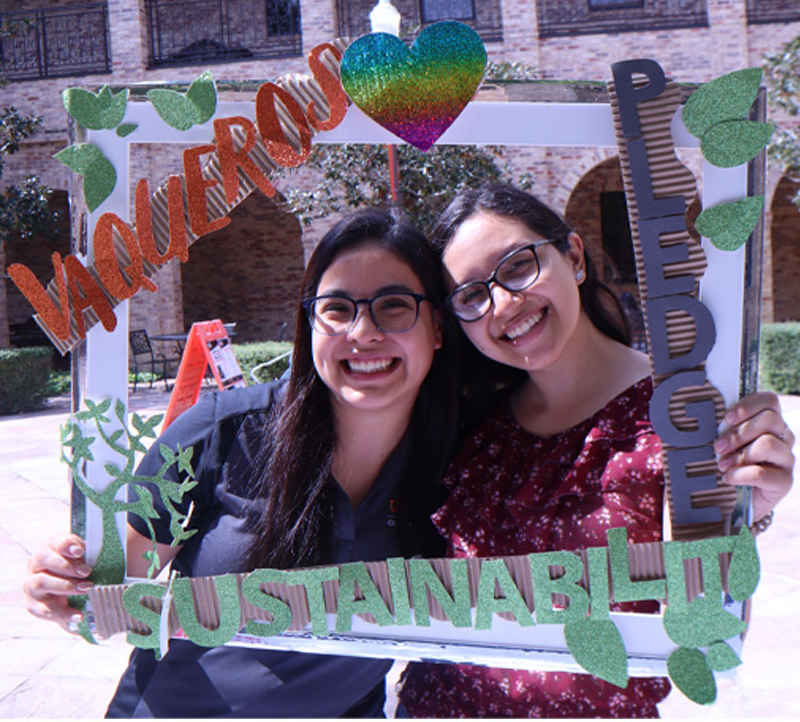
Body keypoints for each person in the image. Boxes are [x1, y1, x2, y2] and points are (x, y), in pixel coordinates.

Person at [22, 208, 460, 718]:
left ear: (437, 328)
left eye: (394, 306)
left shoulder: (461, 456)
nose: (363, 332)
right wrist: (66, 582)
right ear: (308, 323)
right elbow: (119, 578)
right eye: (337, 309)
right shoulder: (220, 433)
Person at [398, 185, 795, 718]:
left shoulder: (678, 417)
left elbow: (710, 634)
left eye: (517, 266)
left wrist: (746, 513)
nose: (504, 302)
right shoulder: (474, 428)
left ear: (575, 258)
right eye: (471, 295)